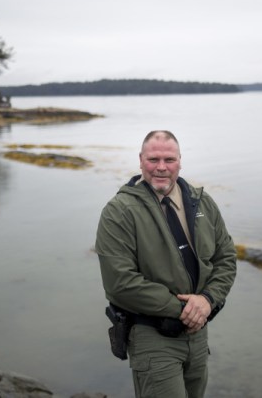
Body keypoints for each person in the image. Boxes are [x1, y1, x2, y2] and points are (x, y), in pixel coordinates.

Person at [95, 130, 237, 398]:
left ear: (180, 161)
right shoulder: (119, 212)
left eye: (169, 159)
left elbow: (226, 258)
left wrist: (207, 300)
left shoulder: (202, 202)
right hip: (153, 337)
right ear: (140, 160)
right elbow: (120, 284)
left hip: (198, 335)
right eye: (153, 159)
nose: (161, 167)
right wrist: (186, 309)